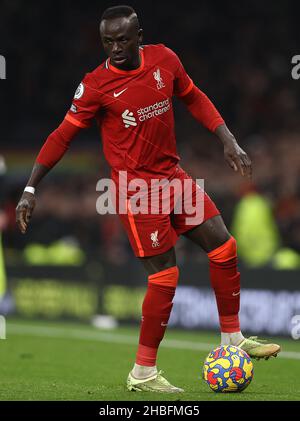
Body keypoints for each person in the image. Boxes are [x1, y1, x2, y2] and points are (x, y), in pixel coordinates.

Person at [16, 5, 280, 393]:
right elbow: (61, 136)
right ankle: (142, 372)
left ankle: (232, 338)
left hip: (174, 178)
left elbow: (193, 96)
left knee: (224, 246)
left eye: (123, 40)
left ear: (139, 36)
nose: (116, 49)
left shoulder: (165, 59)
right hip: (137, 192)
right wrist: (30, 188)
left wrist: (228, 139)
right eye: (108, 41)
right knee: (165, 277)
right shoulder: (95, 86)